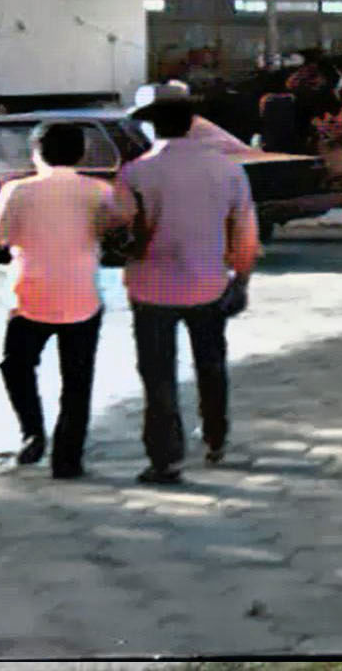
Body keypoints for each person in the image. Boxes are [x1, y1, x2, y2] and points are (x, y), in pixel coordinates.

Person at [115, 83, 262, 485]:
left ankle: (165, 459)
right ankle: (215, 437)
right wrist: (242, 281)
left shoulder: (137, 172)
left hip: (151, 289)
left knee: (158, 373)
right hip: (209, 285)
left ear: (149, 127)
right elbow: (245, 233)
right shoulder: (228, 169)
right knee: (211, 365)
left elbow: (123, 232)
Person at [0, 122, 116, 479]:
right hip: (81, 294)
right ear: (82, 154)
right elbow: (112, 228)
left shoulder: (17, 190)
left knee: (16, 366)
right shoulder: (99, 191)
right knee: (77, 378)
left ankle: (33, 433)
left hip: (30, 295)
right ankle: (68, 459)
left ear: (36, 152)